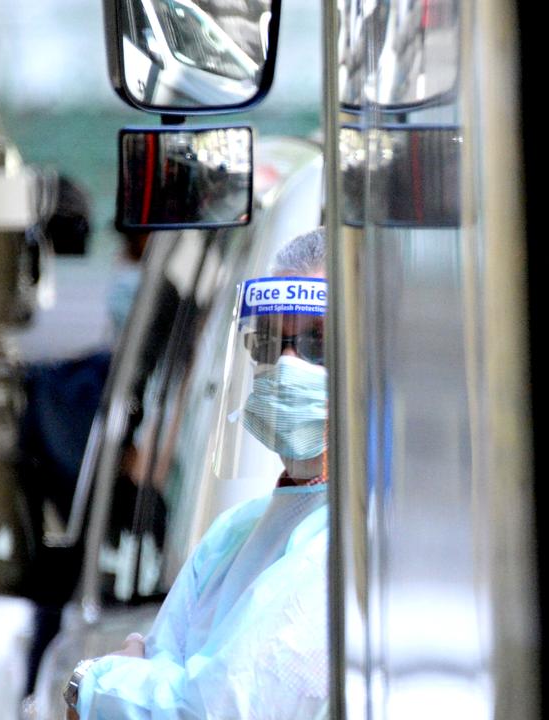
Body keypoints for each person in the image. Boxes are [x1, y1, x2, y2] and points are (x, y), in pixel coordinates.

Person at [64, 228, 331, 720]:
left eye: (318, 343)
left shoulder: (356, 545)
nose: (288, 364)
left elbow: (208, 709)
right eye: (272, 343)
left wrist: (94, 685)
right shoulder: (234, 535)